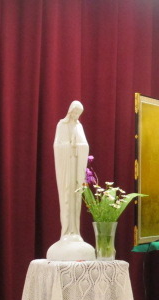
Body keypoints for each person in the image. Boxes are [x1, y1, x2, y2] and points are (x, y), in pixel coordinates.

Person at [46, 100, 95, 261]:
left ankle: (75, 231)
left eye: (78, 114)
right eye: (74, 112)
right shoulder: (62, 125)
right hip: (67, 166)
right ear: (70, 111)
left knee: (76, 197)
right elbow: (57, 146)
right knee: (67, 197)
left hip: (76, 165)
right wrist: (69, 146)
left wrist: (78, 146)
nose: (75, 116)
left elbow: (85, 145)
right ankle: (66, 231)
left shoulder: (79, 126)